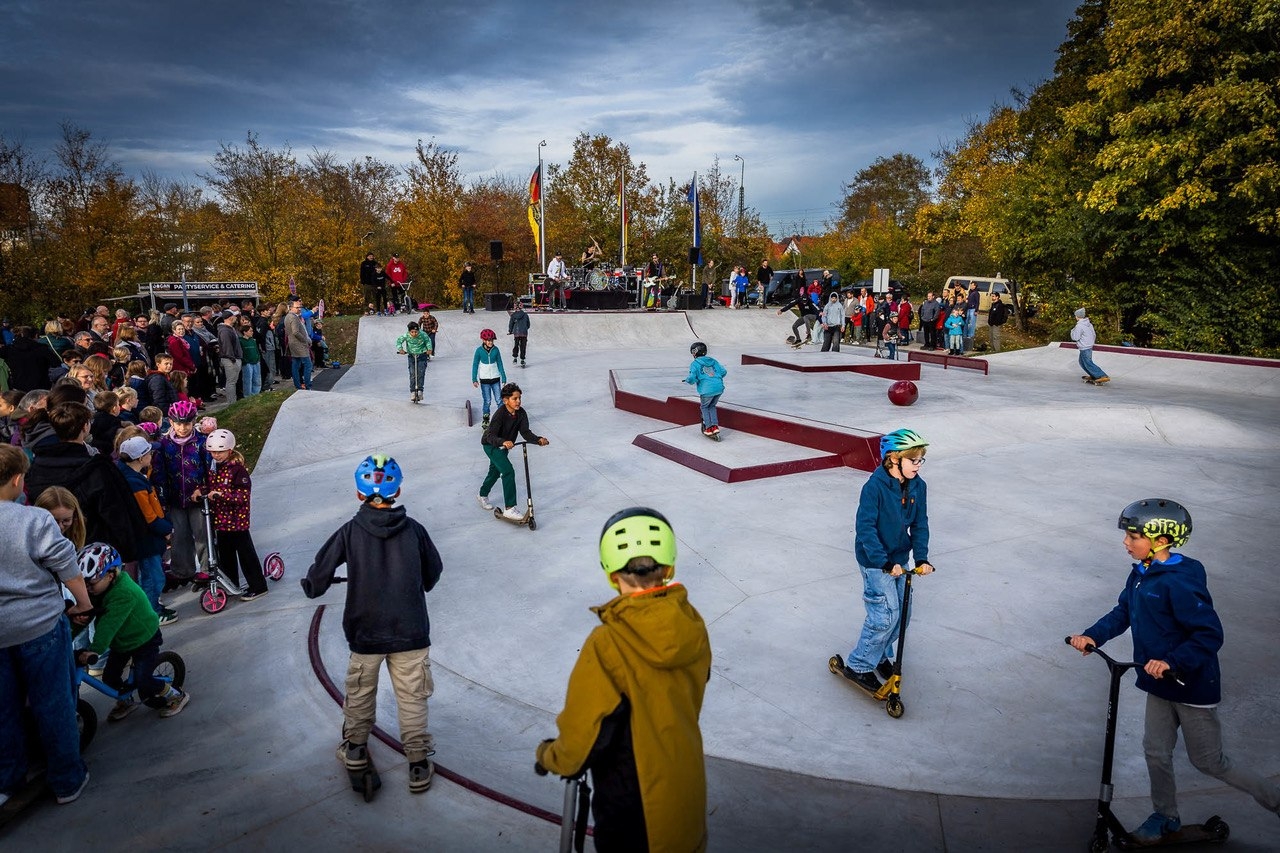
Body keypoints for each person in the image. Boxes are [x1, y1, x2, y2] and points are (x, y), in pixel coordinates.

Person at [1068, 499, 1280, 843]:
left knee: (1211, 762)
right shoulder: (1141, 573)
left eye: (1133, 536)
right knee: (1155, 750)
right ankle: (1165, 816)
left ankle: (1276, 801)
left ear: (1161, 540)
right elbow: (1123, 612)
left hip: (1191, 685)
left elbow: (1209, 634)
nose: (1125, 542)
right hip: (1158, 682)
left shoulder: (1179, 581)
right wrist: (1092, 635)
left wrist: (1173, 661)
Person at [535, 507, 712, 852]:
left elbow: (583, 735)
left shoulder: (608, 644)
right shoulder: (692, 624)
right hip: (685, 788)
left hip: (635, 811)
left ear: (612, 575)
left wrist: (550, 756)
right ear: (669, 567)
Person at [301, 454, 443, 795]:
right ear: (398, 491)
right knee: (412, 697)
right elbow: (433, 572)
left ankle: (355, 748)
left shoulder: (349, 532)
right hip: (410, 630)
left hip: (365, 632)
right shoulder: (415, 530)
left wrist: (314, 586)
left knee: (361, 692)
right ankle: (419, 763)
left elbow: (319, 573)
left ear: (358, 494)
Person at [0, 445, 93, 807]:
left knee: (5, 709)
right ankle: (67, 779)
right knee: (52, 703)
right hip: (38, 625)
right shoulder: (31, 520)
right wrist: (83, 602)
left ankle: (8, 779)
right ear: (19, 479)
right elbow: (65, 562)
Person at [842, 429, 934, 691]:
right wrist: (883, 562)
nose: (918, 465)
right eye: (913, 460)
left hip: (898, 557)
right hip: (875, 559)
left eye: (920, 460)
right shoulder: (874, 488)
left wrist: (922, 557)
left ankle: (879, 654)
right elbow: (866, 528)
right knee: (884, 616)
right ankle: (858, 665)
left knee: (902, 615)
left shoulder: (919, 486)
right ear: (894, 459)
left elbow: (919, 524)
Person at [73, 543, 189, 721]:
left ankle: (176, 695)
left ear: (110, 575)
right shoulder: (97, 591)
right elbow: (84, 616)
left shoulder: (123, 593)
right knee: (110, 678)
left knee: (145, 682)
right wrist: (68, 636)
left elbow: (108, 626)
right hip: (122, 642)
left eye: (91, 583)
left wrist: (94, 649)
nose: (87, 588)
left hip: (144, 639)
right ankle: (126, 701)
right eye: (84, 584)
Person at [194, 429, 268, 603]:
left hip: (237, 521)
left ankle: (258, 586)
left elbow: (243, 496)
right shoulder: (213, 468)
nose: (216, 455)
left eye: (220, 451)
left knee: (245, 554)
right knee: (225, 556)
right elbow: (210, 486)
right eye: (213, 452)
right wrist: (200, 491)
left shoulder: (237, 470)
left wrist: (221, 495)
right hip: (220, 521)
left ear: (230, 450)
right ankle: (230, 584)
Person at [115, 436, 174, 621]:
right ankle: (152, 613)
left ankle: (151, 606)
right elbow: (148, 516)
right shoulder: (135, 483)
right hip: (146, 538)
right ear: (141, 458)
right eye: (149, 452)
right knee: (153, 578)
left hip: (146, 537)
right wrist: (166, 528)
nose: (152, 454)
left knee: (151, 576)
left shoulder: (132, 475)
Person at [153, 400, 210, 584]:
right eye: (179, 423)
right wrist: (162, 498)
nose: (183, 428)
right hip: (175, 497)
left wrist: (204, 489)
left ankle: (207, 568)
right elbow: (159, 473)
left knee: (202, 533)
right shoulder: (164, 444)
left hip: (198, 498)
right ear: (171, 422)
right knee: (180, 534)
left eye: (187, 423)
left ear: (194, 421)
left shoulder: (201, 442)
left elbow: (210, 470)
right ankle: (182, 571)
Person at [477, 383, 548, 520]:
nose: (518, 401)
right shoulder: (500, 414)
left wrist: (538, 440)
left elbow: (525, 432)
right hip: (491, 445)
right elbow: (491, 436)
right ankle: (509, 508)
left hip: (505, 446)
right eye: (514, 399)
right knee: (508, 471)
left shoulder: (521, 413)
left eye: (519, 398)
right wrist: (503, 441)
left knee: (495, 472)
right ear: (505, 400)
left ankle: (482, 494)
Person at [684, 342, 726, 438]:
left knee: (704, 407)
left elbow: (692, 377)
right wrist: (716, 378)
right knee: (712, 406)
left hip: (707, 390)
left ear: (695, 352)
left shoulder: (695, 364)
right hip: (719, 388)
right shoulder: (713, 361)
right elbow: (723, 371)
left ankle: (708, 428)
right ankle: (715, 426)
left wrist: (689, 380)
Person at [1, 326, 60, 392]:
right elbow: (56, 363)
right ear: (35, 335)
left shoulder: (8, 350)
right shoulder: (42, 349)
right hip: (41, 387)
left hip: (18, 387)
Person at [471, 329, 506, 429]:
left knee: (499, 400)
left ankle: (502, 418)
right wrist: (474, 378)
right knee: (487, 400)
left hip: (495, 379)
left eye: (492, 340)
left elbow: (500, 363)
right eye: (489, 340)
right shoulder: (479, 351)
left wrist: (503, 376)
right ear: (483, 340)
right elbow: (475, 365)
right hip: (485, 380)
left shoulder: (496, 350)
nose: (491, 342)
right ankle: (486, 419)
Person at [395, 322, 431, 404]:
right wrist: (400, 349)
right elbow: (399, 341)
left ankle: (420, 391)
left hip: (422, 355)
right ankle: (412, 392)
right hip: (411, 356)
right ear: (409, 331)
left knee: (421, 373)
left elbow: (428, 341)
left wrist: (429, 349)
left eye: (416, 332)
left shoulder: (423, 334)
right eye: (412, 332)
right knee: (412, 374)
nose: (414, 334)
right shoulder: (406, 335)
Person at [1071, 307, 1109, 384]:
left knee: (1088, 363)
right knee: (1082, 362)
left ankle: (1102, 375)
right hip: (1088, 346)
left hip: (1084, 347)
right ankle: (1094, 375)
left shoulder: (1079, 326)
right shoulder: (1089, 324)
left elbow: (1075, 337)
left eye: (1075, 316)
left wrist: (1072, 330)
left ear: (1077, 316)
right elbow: (1094, 334)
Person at [283, 297, 313, 390]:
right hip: (299, 345)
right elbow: (296, 332)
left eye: (300, 307)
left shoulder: (288, 317)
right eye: (297, 307)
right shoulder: (293, 317)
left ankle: (298, 385)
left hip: (293, 344)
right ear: (291, 307)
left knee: (295, 364)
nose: (299, 309)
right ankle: (307, 385)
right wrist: (305, 340)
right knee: (308, 365)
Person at [216, 312, 243, 401]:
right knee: (231, 382)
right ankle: (231, 402)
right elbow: (227, 346)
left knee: (233, 381)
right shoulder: (225, 330)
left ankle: (233, 400)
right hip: (230, 359)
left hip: (234, 358)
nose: (236, 318)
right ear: (230, 318)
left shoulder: (231, 328)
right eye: (234, 316)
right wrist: (232, 358)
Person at [238, 320, 261, 397]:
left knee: (257, 379)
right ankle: (248, 395)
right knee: (248, 380)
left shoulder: (252, 340)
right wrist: (245, 361)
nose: (252, 332)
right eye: (250, 331)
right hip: (247, 363)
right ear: (245, 332)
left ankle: (256, 393)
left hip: (256, 362)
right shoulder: (241, 341)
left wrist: (258, 358)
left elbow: (256, 350)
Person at [508, 303, 530, 367]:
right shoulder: (525, 315)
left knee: (516, 345)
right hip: (524, 333)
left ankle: (515, 358)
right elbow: (528, 324)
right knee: (523, 346)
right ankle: (522, 359)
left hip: (516, 332)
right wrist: (525, 328)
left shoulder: (513, 315)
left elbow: (511, 324)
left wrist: (510, 330)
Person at [963, 281, 980, 352]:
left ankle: (970, 335)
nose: (971, 286)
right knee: (966, 322)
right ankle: (965, 334)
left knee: (972, 323)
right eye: (971, 285)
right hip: (968, 308)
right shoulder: (969, 292)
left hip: (973, 309)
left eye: (972, 285)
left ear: (975, 286)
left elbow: (977, 302)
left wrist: (976, 310)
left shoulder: (976, 293)